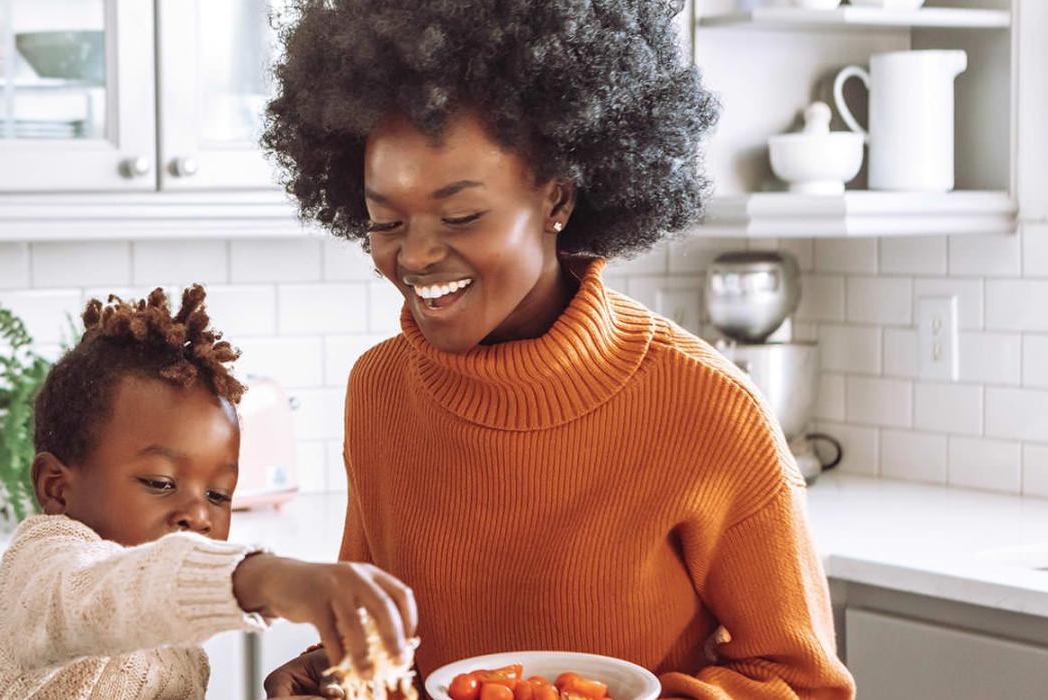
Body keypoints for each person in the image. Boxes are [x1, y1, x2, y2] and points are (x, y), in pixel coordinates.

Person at [256, 1, 856, 697]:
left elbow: (804, 685)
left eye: (461, 216)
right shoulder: (380, 390)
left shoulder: (708, 409)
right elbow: (384, 647)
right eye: (386, 219)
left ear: (557, 199)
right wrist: (338, 676)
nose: (414, 254)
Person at [0, 287, 417, 700]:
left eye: (218, 494)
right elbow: (107, 594)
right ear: (56, 488)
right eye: (161, 483)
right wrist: (265, 579)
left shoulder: (174, 638)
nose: (197, 515)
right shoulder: (42, 568)